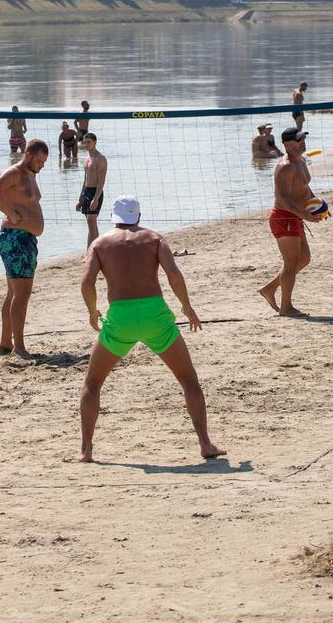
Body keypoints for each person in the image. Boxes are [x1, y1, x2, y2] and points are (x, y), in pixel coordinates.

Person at [76, 194, 225, 463]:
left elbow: (86, 284)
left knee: (93, 383)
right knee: (188, 380)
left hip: (120, 316)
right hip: (155, 315)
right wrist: (187, 307)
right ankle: (205, 443)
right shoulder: (154, 238)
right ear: (138, 217)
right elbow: (174, 275)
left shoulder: (99, 244)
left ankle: (86, 450)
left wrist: (92, 311)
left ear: (114, 218)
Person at [0, 139, 48, 357]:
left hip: (25, 239)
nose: (41, 166)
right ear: (28, 155)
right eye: (39, 161)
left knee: (13, 293)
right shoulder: (15, 173)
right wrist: (11, 213)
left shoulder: (30, 175)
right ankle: (19, 347)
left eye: (44, 163)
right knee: (21, 295)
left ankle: (6, 344)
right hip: (15, 239)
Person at [258, 128, 323, 316]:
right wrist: (304, 215)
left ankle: (269, 289)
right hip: (284, 216)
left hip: (295, 215)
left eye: (303, 138)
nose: (302, 142)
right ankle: (286, 308)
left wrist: (317, 204)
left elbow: (304, 187)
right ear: (287, 145)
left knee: (303, 259)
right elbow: (283, 198)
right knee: (291, 263)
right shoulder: (285, 166)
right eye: (298, 140)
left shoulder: (300, 161)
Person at [77, 132, 108, 246]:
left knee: (92, 222)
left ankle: (91, 252)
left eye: (89, 142)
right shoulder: (86, 159)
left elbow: (102, 181)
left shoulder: (101, 158)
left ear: (95, 142)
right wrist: (80, 199)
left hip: (96, 192)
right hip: (86, 192)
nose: (86, 145)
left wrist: (96, 198)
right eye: (84, 142)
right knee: (90, 224)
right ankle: (94, 250)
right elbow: (85, 181)